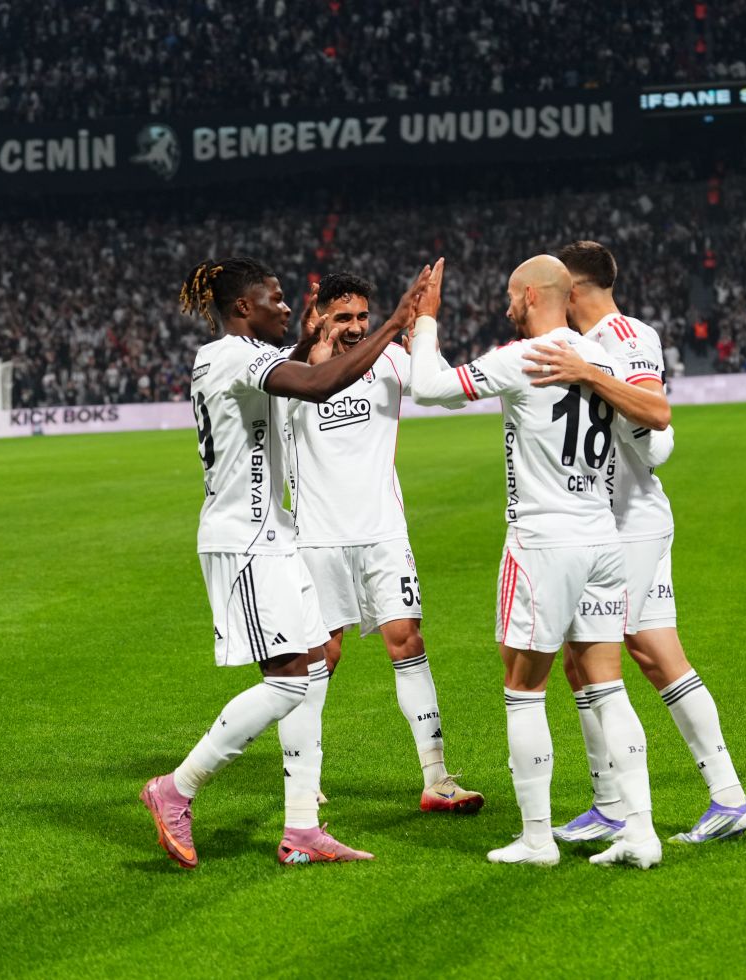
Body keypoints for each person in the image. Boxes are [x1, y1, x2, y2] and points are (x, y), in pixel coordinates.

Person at [140, 256, 430, 867]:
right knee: (288, 682)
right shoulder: (230, 355)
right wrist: (394, 323)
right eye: (274, 299)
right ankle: (175, 789)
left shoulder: (238, 355)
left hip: (276, 536)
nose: (286, 306)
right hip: (244, 540)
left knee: (308, 671)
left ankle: (301, 829)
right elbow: (317, 384)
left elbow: (292, 370)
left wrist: (303, 340)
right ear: (243, 307)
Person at [410, 255, 673, 868]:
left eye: (510, 295)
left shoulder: (523, 357)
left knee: (524, 691)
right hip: (601, 537)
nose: (506, 306)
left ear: (530, 295)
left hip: (541, 541)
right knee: (608, 688)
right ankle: (641, 832)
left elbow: (427, 388)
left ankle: (536, 839)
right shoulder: (601, 357)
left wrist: (426, 322)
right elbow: (653, 423)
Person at [522, 240, 746, 844]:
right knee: (655, 654)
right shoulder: (589, 341)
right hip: (623, 521)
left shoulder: (622, 337)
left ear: (573, 290)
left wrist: (588, 374)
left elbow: (656, 415)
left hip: (626, 523)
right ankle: (726, 797)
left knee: (586, 659)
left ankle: (616, 806)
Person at [281, 272, 484, 813]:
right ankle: (303, 779)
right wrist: (309, 349)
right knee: (321, 654)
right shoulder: (291, 371)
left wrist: (421, 337)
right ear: (319, 315)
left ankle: (436, 778)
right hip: (316, 538)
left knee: (407, 641)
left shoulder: (391, 359)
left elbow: (447, 396)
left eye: (362, 317)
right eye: (343, 317)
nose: (355, 327)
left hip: (383, 533)